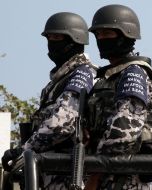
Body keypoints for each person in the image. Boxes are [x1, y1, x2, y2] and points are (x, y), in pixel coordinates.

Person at [1, 12, 97, 190]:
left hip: (69, 175)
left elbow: (63, 123)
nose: (52, 43)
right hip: (51, 174)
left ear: (75, 40)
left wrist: (23, 149)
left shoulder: (82, 74)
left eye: (57, 37)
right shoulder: (59, 80)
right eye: (49, 38)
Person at [84, 4, 152, 190]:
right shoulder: (107, 77)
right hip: (106, 174)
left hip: (126, 178)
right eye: (98, 34)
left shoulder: (134, 73)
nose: (101, 39)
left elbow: (124, 133)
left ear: (126, 34)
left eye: (107, 34)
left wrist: (95, 175)